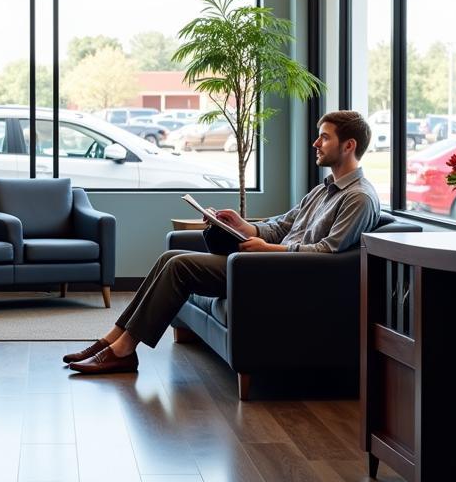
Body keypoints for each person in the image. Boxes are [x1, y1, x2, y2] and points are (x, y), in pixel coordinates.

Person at [64, 110, 380, 374]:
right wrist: (244, 226)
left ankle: (124, 352)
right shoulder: (322, 189)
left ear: (349, 145)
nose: (316, 143)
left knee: (179, 265)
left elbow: (328, 253)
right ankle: (113, 340)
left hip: (286, 275)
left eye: (324, 137)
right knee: (170, 256)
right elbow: (281, 226)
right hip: (269, 264)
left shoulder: (358, 198)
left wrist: (270, 250)